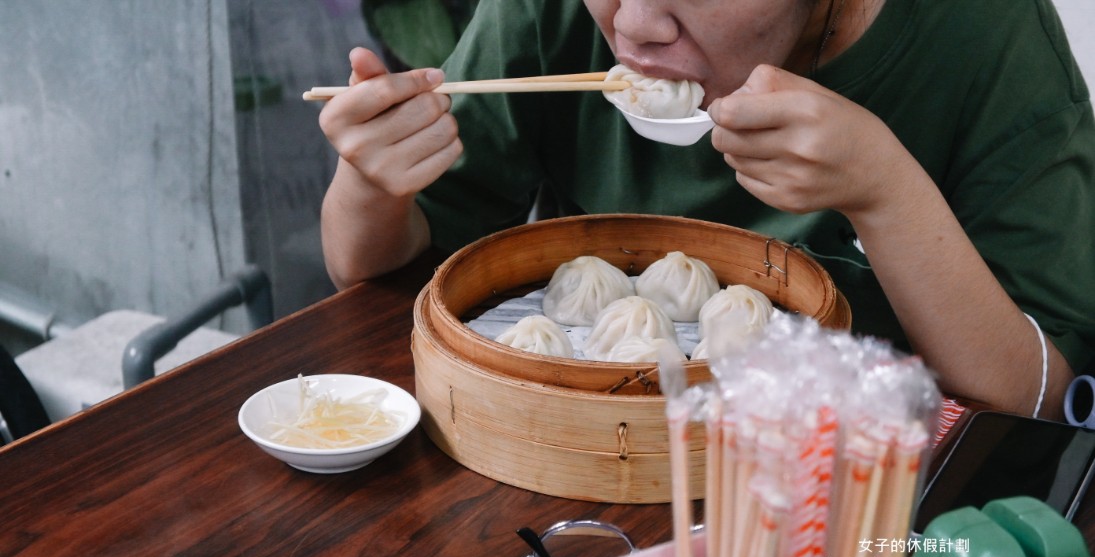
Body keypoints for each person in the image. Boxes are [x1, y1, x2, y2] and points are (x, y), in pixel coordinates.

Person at [316, 0, 1095, 420]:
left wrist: (883, 191)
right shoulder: (549, 12)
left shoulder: (983, 36)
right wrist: (370, 183)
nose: (634, 25)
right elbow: (376, 271)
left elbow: (1036, 398)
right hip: (585, 463)